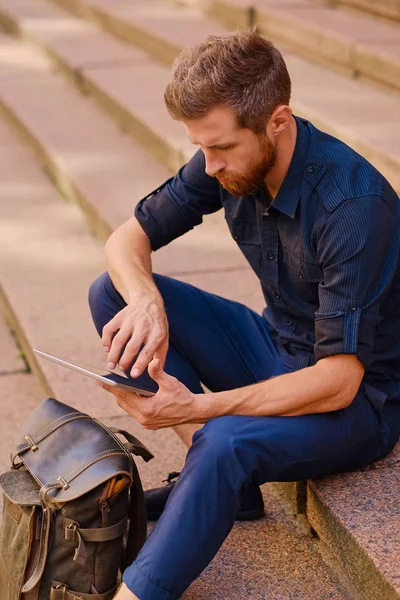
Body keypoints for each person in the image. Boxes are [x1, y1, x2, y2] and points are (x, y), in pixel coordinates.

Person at [88, 29, 400, 600]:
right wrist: (147, 303)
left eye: (221, 148)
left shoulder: (354, 205)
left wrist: (202, 407)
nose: (208, 166)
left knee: (227, 440)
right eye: (201, 147)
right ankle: (224, 490)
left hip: (357, 403)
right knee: (113, 293)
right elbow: (124, 241)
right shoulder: (229, 158)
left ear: (277, 121)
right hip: (273, 346)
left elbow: (338, 381)